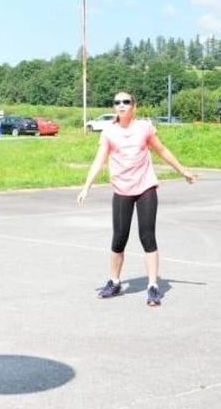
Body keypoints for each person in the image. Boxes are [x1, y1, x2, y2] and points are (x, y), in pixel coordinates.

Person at [76, 92, 196, 307]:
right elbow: (99, 161)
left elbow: (162, 150)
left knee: (147, 237)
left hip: (146, 188)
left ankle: (152, 286)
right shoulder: (109, 132)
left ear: (134, 106)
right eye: (117, 102)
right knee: (119, 238)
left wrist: (183, 170)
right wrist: (86, 187)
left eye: (126, 102)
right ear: (114, 107)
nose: (121, 105)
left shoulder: (144, 128)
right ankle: (114, 282)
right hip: (122, 190)